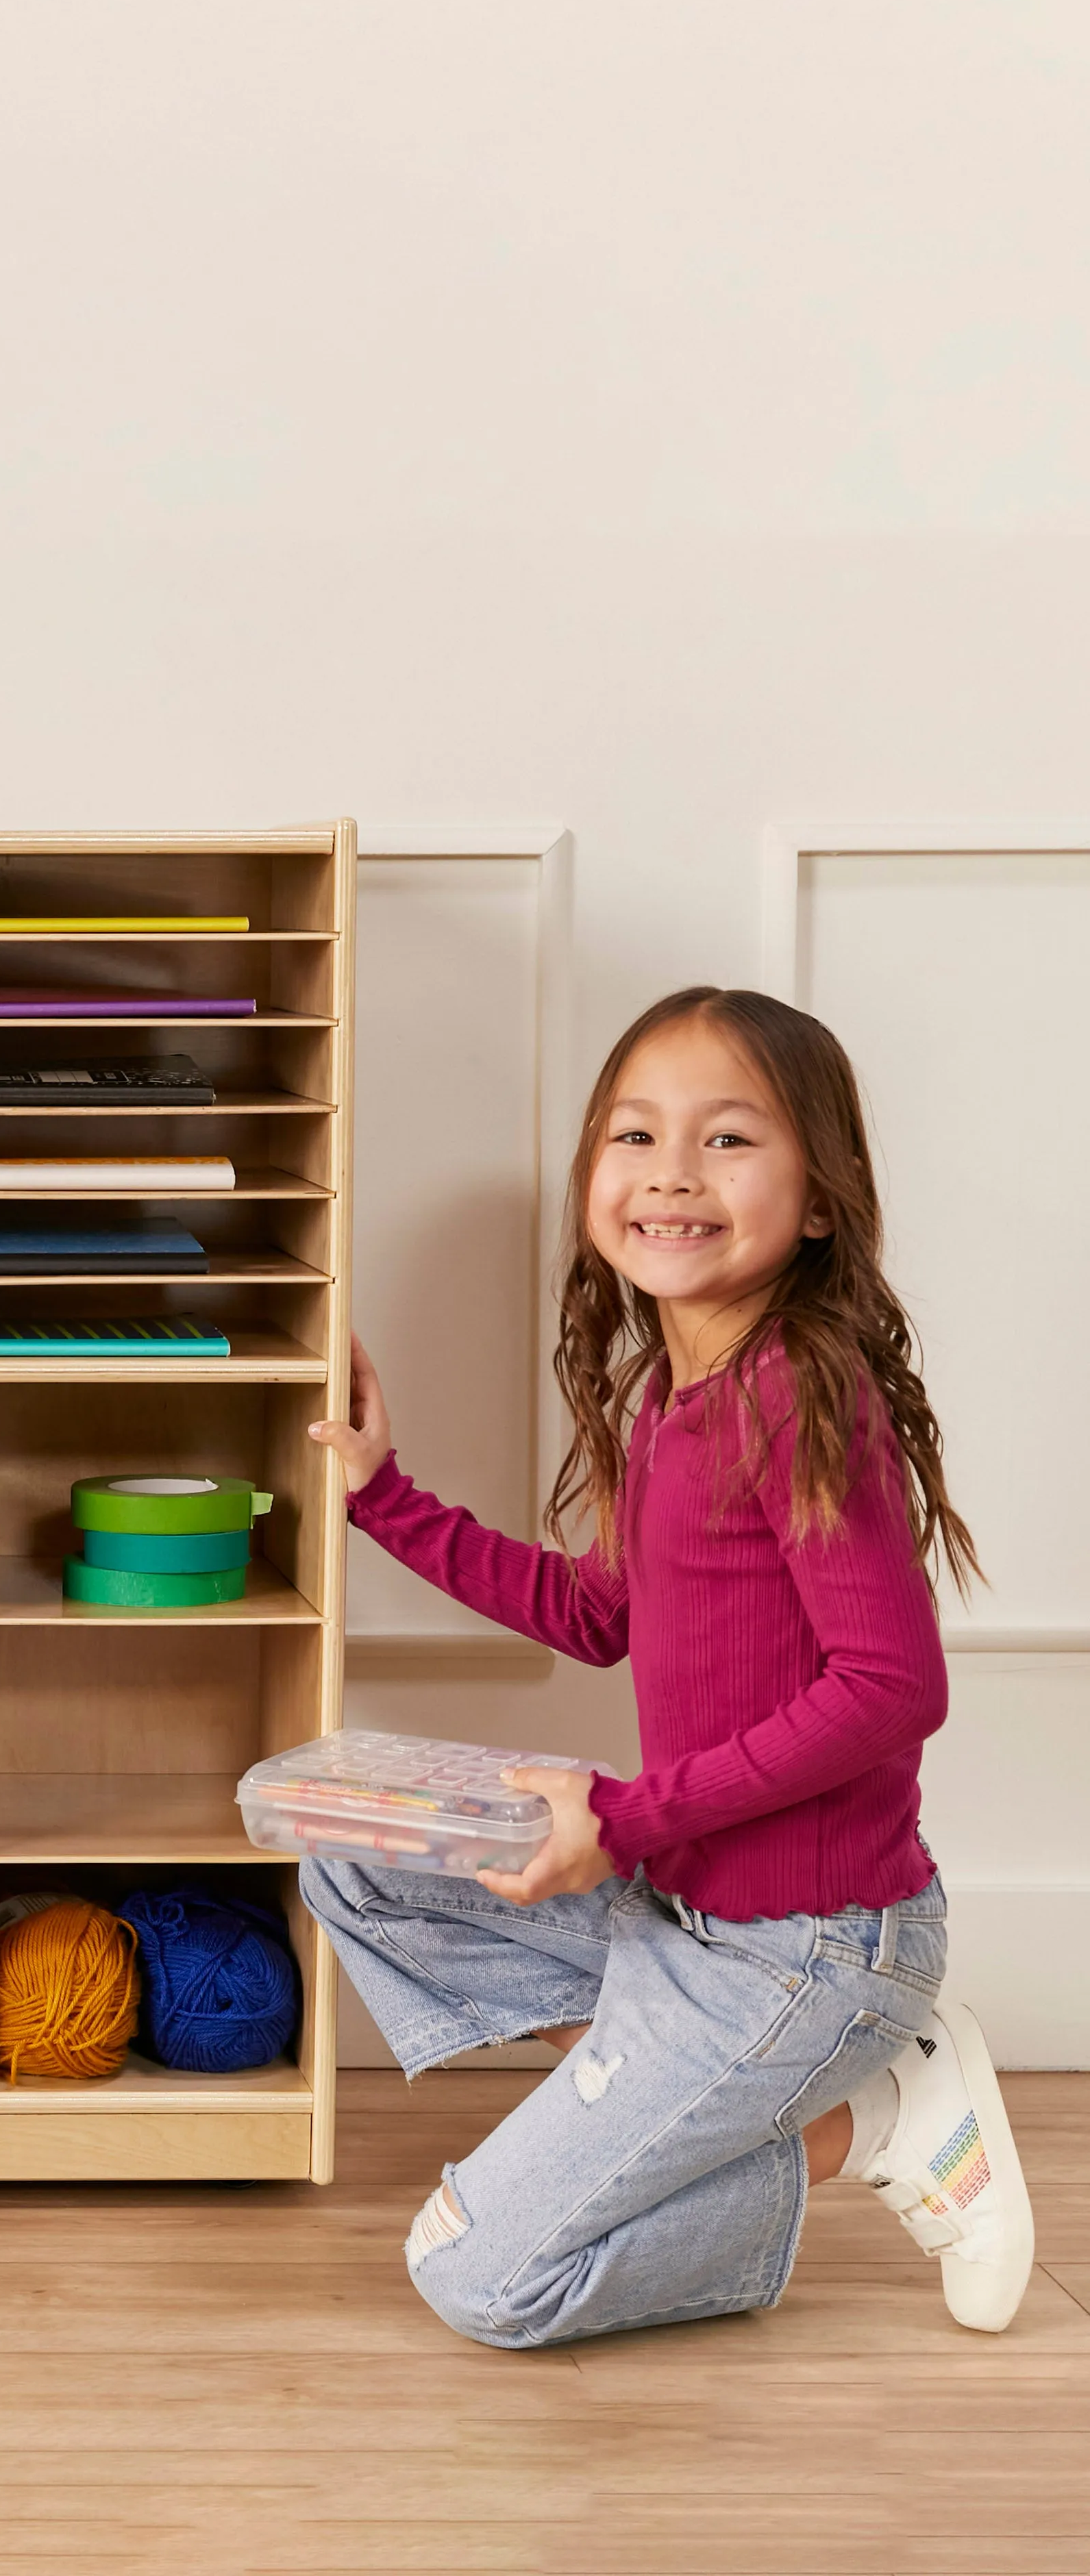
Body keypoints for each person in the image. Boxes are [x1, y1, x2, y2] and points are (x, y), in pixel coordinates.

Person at [304, 986, 1032, 2344]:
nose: (670, 1173)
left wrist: (622, 1817)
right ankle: (691, 2088)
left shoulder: (800, 1397)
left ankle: (866, 2120)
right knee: (348, 1831)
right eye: (633, 1135)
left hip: (804, 1949)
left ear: (819, 1198)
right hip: (682, 1906)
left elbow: (889, 1686)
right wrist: (378, 1494)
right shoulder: (671, 1395)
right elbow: (595, 1614)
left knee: (476, 2274)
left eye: (727, 1140)